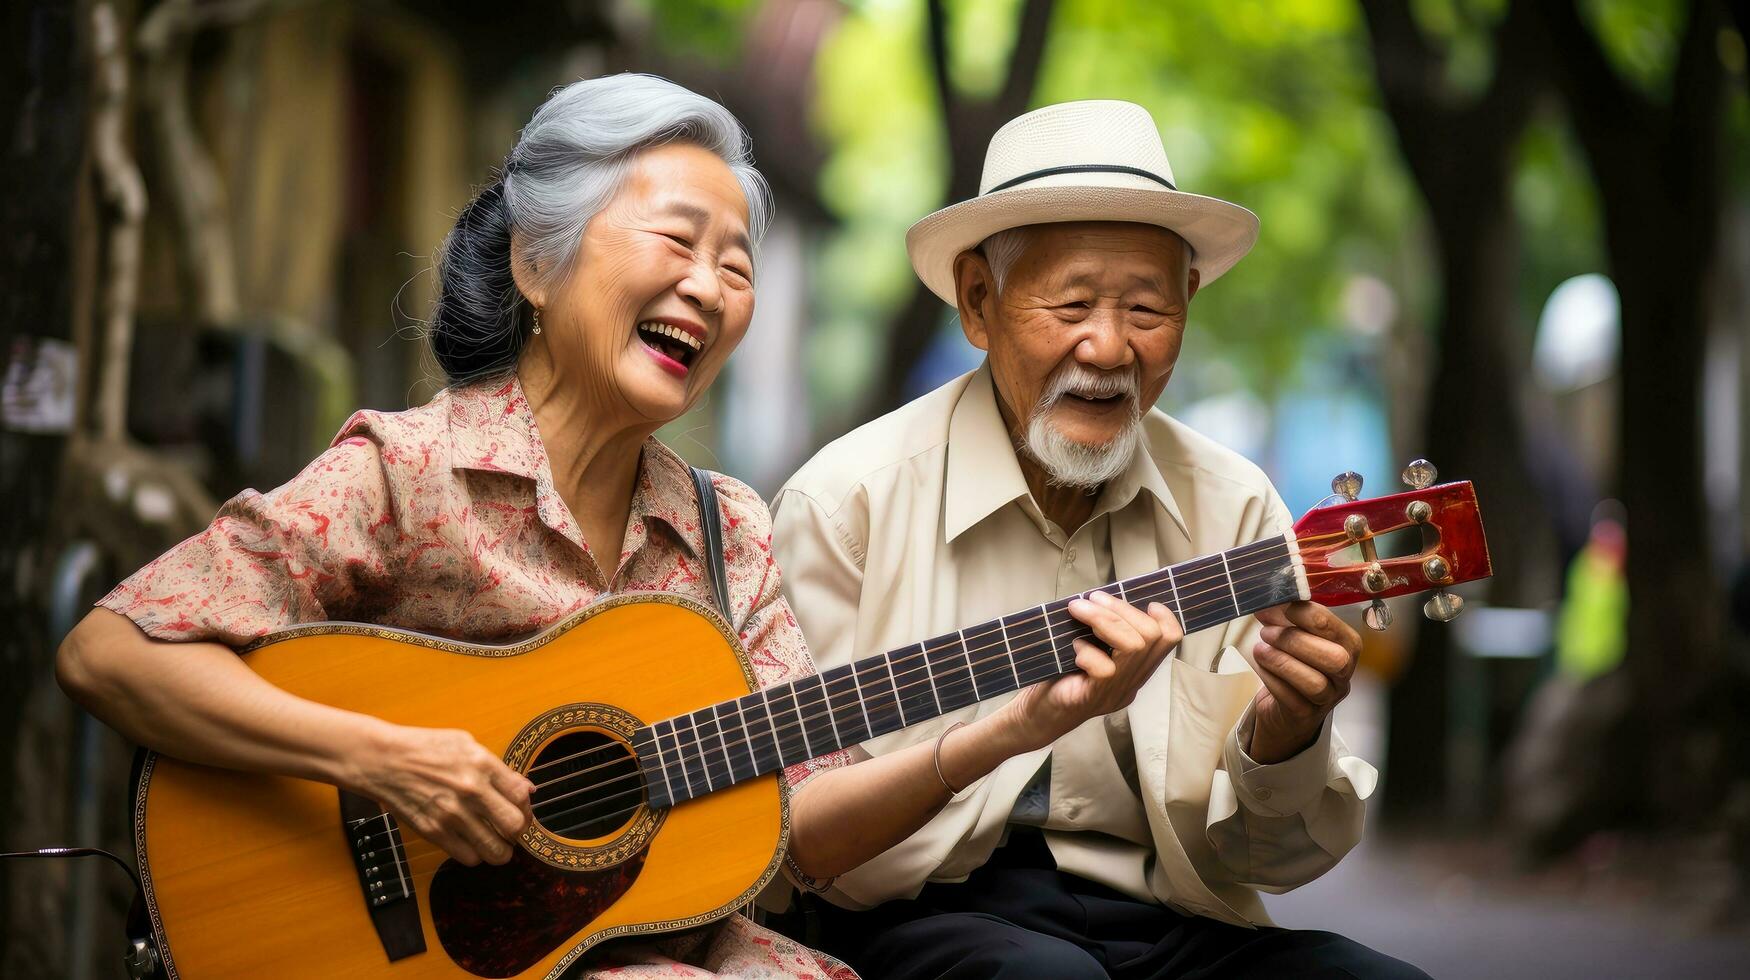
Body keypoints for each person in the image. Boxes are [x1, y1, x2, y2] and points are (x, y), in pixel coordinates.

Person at [56, 72, 1026, 980]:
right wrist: (381, 757)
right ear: (537, 262)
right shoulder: (409, 470)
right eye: (678, 242)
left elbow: (808, 829)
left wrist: (1012, 727)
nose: (712, 286)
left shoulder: (725, 526)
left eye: (737, 266)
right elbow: (112, 651)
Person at [770, 101, 1428, 979]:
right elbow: (802, 852)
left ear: (1188, 305)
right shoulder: (847, 502)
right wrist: (1008, 730)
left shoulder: (1235, 509)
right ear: (978, 301)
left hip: (1162, 918)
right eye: (1072, 302)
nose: (1109, 346)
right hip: (913, 917)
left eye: (1148, 308)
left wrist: (1289, 731)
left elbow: (1269, 864)